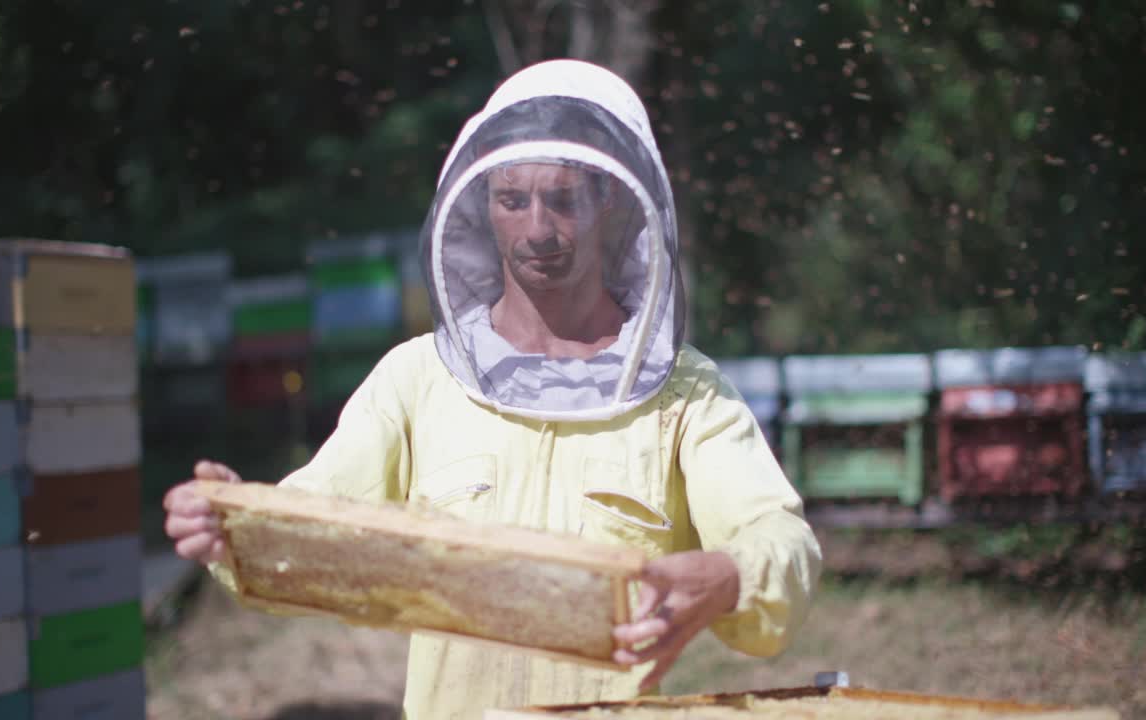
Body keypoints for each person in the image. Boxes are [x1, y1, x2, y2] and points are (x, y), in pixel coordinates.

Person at [163, 59, 821, 720]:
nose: (537, 230)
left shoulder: (686, 396)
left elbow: (779, 537)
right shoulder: (416, 381)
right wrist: (236, 523)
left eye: (562, 198)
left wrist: (731, 575)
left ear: (610, 199)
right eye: (513, 200)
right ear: (482, 202)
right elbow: (316, 523)